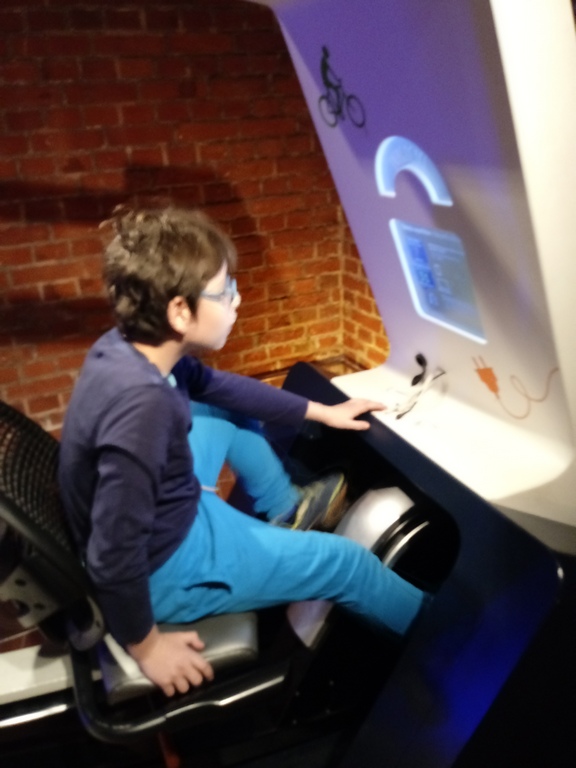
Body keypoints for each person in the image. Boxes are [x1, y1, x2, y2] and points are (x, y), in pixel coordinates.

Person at [58, 206, 427, 698]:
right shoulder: (142, 410)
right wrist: (146, 647)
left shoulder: (124, 347)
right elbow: (113, 550)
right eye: (225, 290)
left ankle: (286, 508)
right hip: (169, 569)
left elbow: (219, 386)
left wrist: (322, 411)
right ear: (179, 311)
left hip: (174, 518)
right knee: (346, 563)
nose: (237, 299)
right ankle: (457, 646)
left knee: (219, 407)